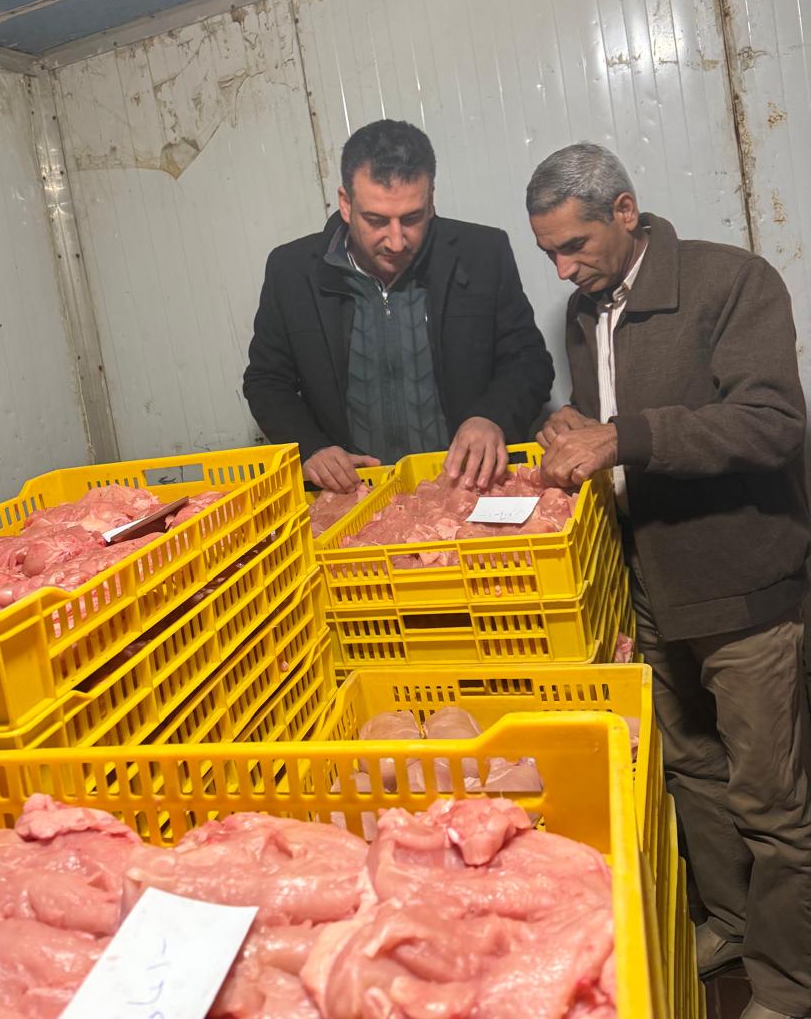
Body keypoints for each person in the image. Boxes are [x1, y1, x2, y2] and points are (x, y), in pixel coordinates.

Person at [526, 141, 811, 1019]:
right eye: (548, 254)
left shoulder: (732, 282)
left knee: (770, 802)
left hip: (742, 589)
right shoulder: (587, 312)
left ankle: (789, 984)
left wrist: (623, 436)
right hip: (652, 584)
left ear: (625, 211)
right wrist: (571, 422)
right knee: (691, 769)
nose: (564, 270)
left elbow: (771, 423)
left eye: (574, 247)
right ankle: (730, 923)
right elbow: (611, 420)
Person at [244, 118, 553, 492]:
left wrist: (492, 417)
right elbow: (266, 381)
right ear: (346, 204)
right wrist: (311, 448)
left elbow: (528, 361)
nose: (395, 241)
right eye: (376, 221)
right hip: (355, 495)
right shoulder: (292, 271)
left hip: (465, 487)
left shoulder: (482, 254)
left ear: (431, 199)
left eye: (411, 219)